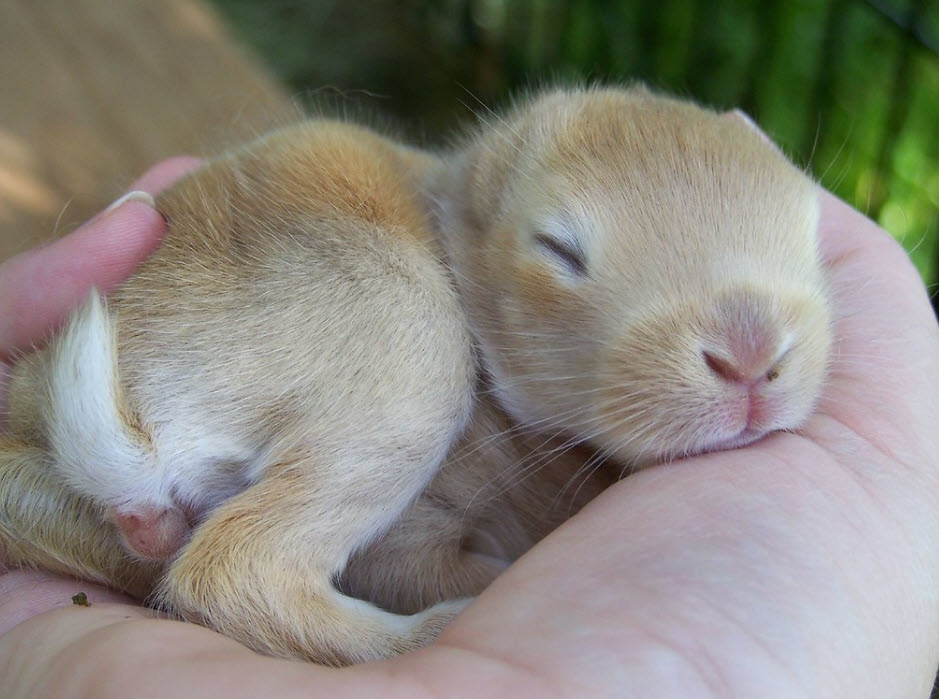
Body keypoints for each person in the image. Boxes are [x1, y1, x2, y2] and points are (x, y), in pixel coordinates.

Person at [0, 142, 937, 698]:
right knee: (411, 352)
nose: (748, 364)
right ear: (472, 219)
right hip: (223, 345)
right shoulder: (435, 311)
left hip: (153, 400)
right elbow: (399, 539)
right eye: (566, 254)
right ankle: (259, 571)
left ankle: (84, 496)